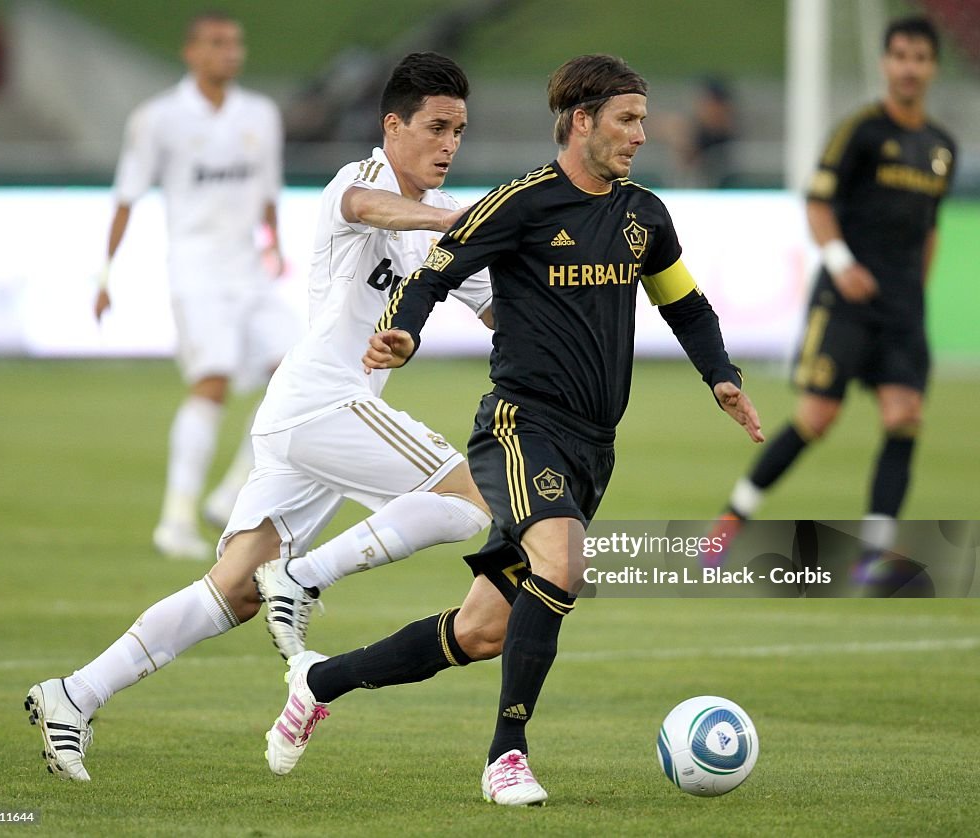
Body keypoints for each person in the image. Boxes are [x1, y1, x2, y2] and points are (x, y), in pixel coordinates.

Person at [261, 54, 764, 806]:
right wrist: (403, 333)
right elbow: (434, 271)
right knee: (561, 565)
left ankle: (319, 680)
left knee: (482, 630)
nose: (640, 134)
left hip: (594, 446)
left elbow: (684, 304)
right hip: (519, 425)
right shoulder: (520, 203)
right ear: (582, 121)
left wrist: (719, 375)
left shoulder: (644, 216)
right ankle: (507, 756)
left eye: (642, 120)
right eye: (627, 119)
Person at [25, 51, 494, 782]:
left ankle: (71, 696)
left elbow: (500, 309)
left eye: (459, 131)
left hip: (310, 420)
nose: (448, 144)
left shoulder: (437, 233)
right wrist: (461, 219)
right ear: (392, 125)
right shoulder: (363, 181)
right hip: (322, 401)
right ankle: (304, 578)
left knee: (234, 590)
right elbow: (368, 210)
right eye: (436, 127)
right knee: (470, 499)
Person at [710, 16, 956, 571]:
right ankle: (732, 518)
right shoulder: (861, 132)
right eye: (900, 56)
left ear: (932, 67)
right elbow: (819, 202)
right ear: (886, 63)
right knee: (817, 417)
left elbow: (932, 228)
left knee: (904, 416)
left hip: (901, 310)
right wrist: (842, 263)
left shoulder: (941, 147)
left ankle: (875, 547)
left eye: (920, 58)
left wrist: (917, 291)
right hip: (845, 303)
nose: (909, 68)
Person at [94, 11, 296, 559]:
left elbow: (268, 190)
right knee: (212, 383)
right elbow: (127, 196)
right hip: (196, 272)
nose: (229, 52)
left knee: (298, 376)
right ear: (191, 52)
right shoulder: (158, 118)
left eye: (235, 42)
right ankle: (175, 518)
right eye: (216, 43)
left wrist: (275, 245)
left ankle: (230, 492)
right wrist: (104, 276)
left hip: (249, 272)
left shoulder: (260, 113)